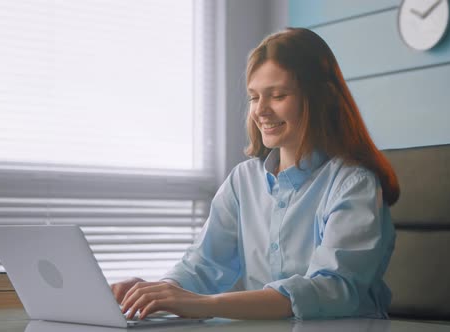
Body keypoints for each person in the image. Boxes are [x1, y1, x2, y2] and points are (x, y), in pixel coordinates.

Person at [111, 27, 400, 321]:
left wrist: (206, 304)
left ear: (321, 98)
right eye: (253, 97)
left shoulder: (353, 184)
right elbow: (203, 264)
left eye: (277, 95)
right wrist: (159, 292)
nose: (261, 110)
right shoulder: (242, 181)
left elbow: (330, 289)